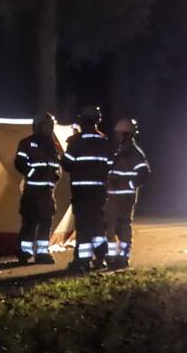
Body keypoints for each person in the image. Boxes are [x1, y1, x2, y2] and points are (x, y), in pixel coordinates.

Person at [62, 105, 113, 270]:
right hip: (99, 192)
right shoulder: (104, 141)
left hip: (81, 192)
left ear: (81, 120)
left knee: (83, 226)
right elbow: (110, 166)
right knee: (98, 226)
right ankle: (100, 259)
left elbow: (67, 164)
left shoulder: (76, 141)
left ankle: (82, 261)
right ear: (98, 120)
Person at [14, 112, 62, 264]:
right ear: (38, 126)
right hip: (32, 191)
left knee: (45, 222)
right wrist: (34, 173)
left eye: (50, 125)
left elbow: (56, 165)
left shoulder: (53, 145)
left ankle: (42, 253)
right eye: (47, 125)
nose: (49, 128)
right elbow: (19, 163)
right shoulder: (27, 143)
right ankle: (24, 252)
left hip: (47, 192)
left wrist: (55, 175)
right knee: (29, 222)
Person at [105, 118, 151, 268]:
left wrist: (129, 184)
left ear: (128, 134)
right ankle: (111, 257)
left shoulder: (134, 152)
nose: (117, 136)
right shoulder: (119, 150)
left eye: (120, 134)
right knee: (110, 226)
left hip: (125, 196)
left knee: (123, 226)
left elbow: (143, 173)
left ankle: (123, 257)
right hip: (113, 195)